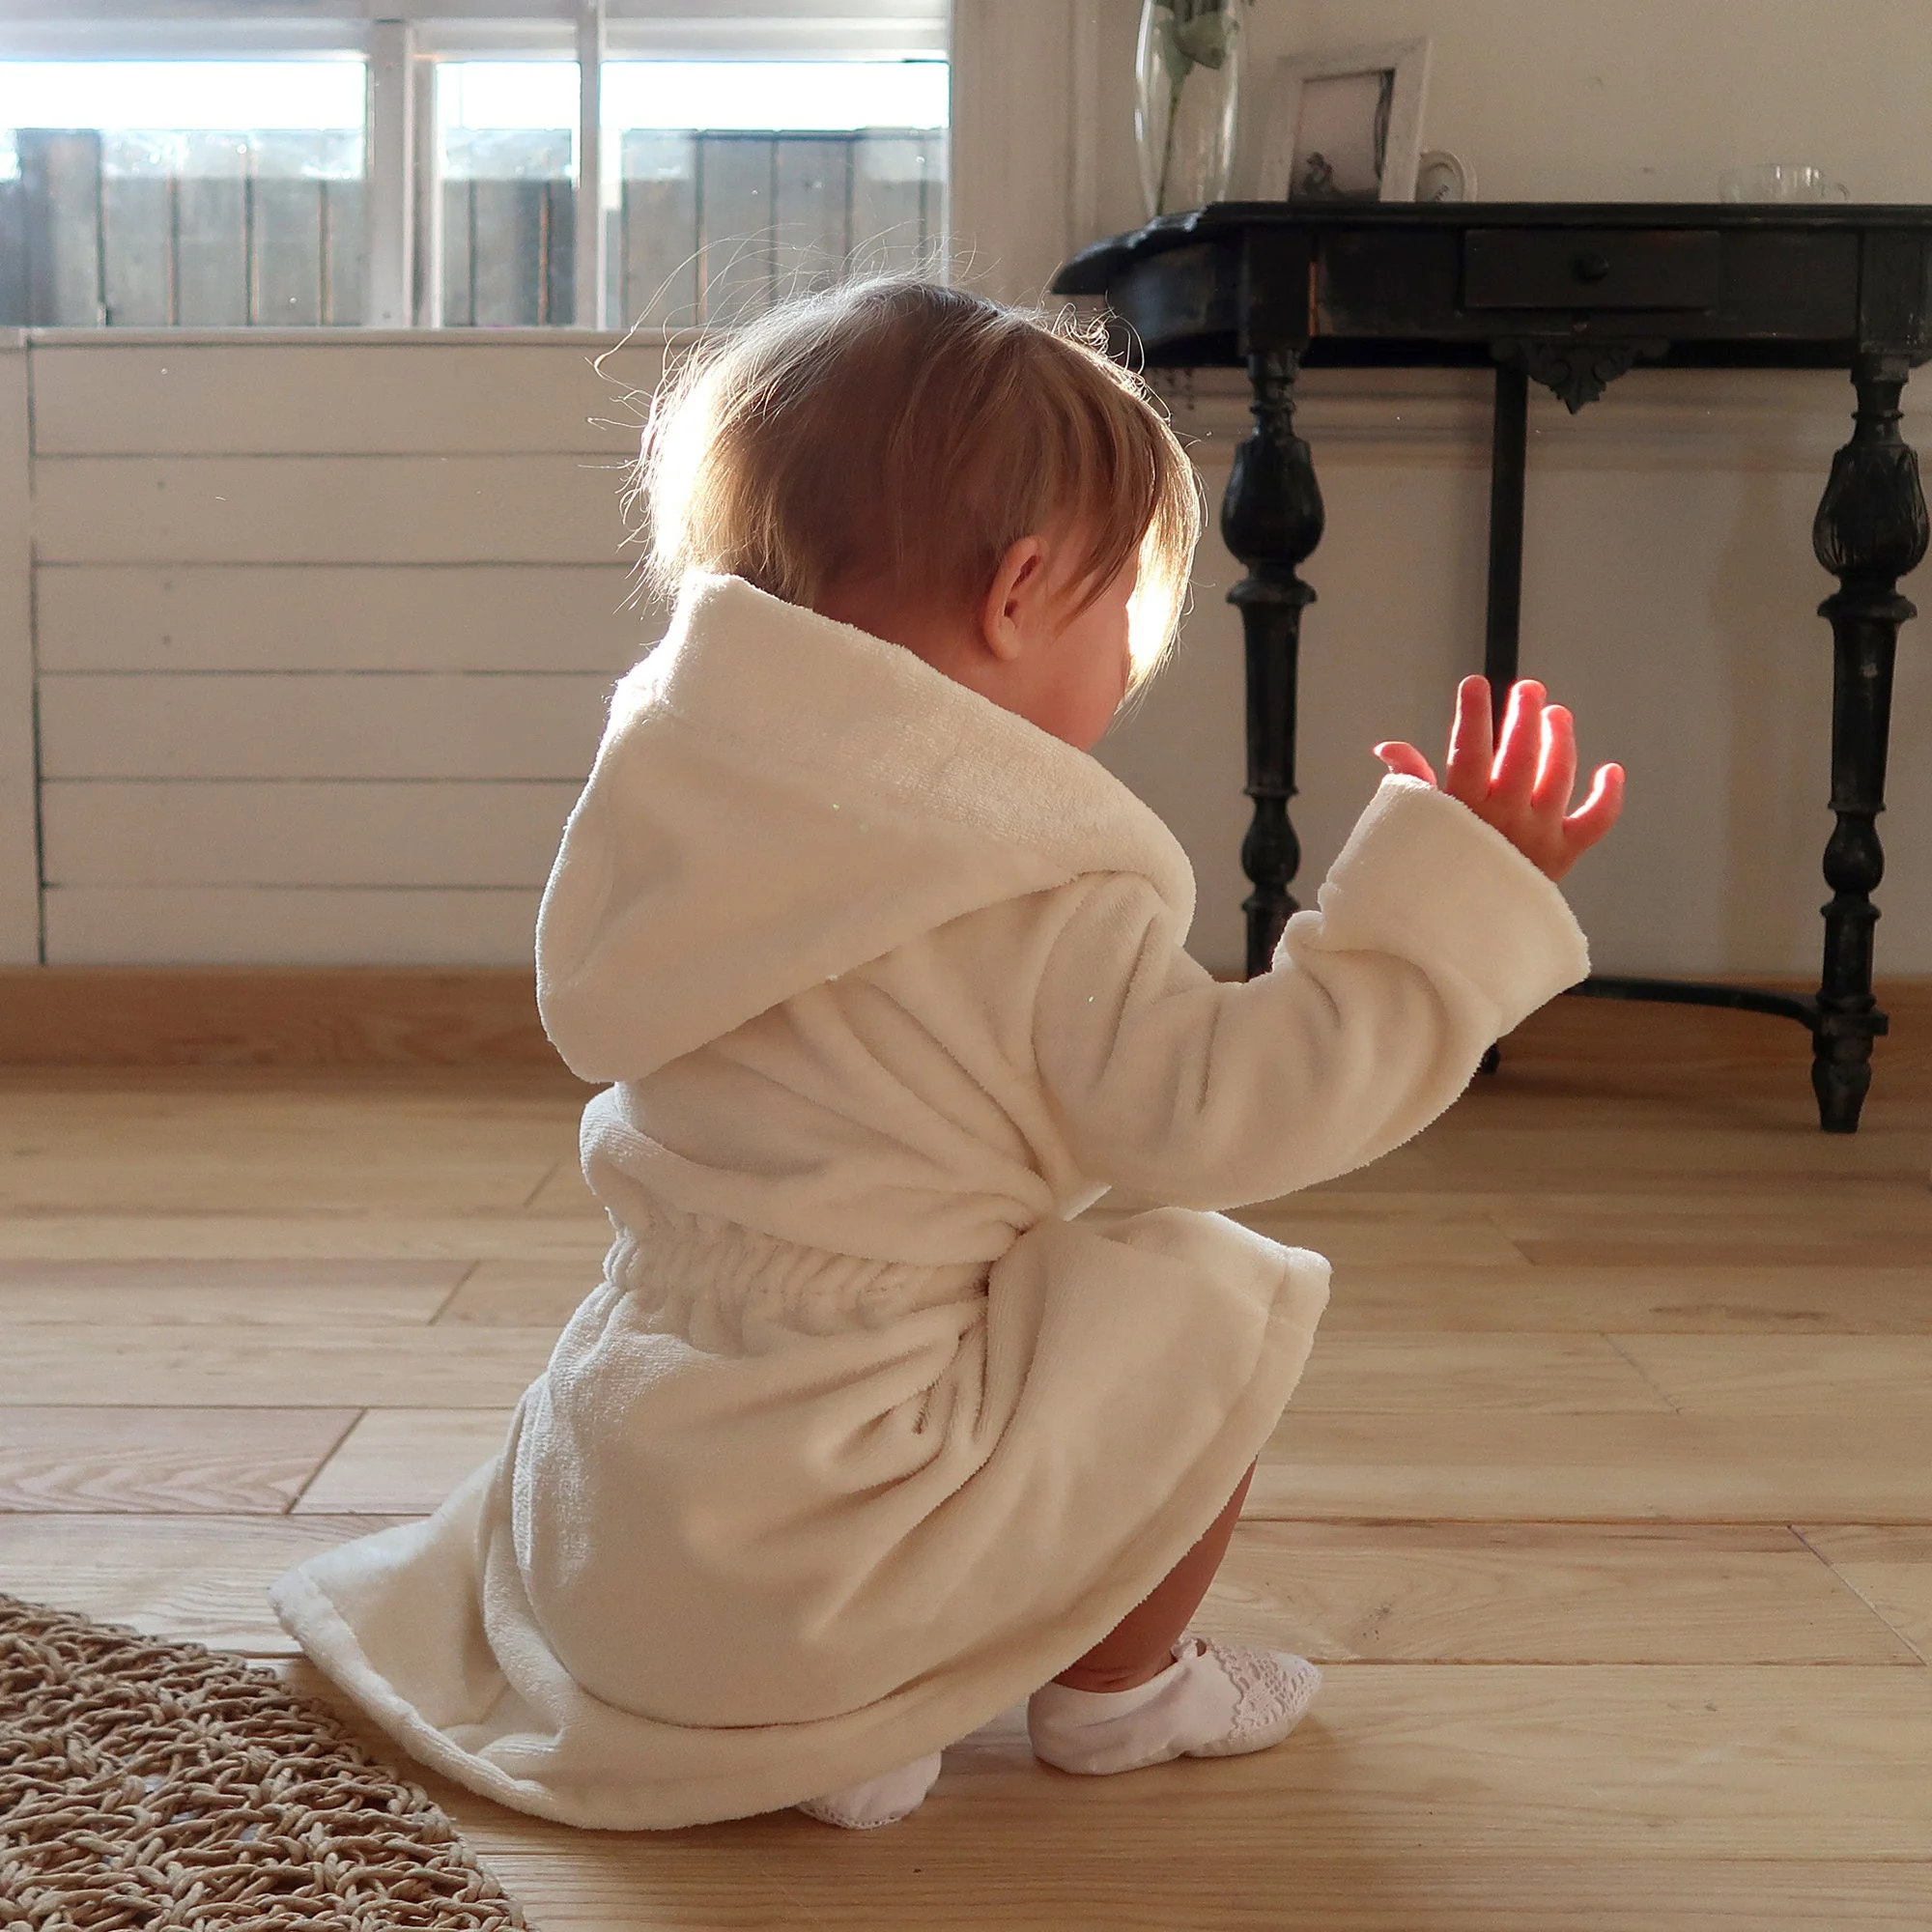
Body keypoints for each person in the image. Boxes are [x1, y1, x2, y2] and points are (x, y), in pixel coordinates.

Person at [271, 277, 1623, 1833]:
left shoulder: (686, 822)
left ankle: (804, 1712)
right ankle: (1121, 1693)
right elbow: (1232, 1111)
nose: (1129, 664)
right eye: (1128, 614)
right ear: (1021, 594)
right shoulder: (1034, 888)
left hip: (628, 1516)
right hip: (838, 1529)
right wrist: (1444, 906)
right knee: (1211, 1280)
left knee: (891, 1296)